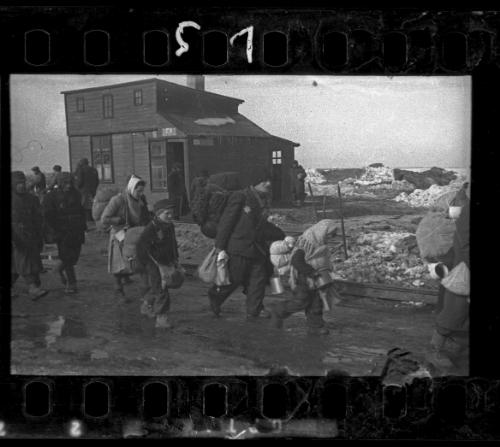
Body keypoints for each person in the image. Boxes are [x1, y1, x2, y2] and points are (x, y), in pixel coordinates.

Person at [207, 167, 285, 321]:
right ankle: (215, 297)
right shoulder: (240, 197)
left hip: (257, 248)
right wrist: (220, 247)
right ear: (255, 182)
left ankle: (254, 311)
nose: (268, 184)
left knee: (258, 280)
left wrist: (280, 234)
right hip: (238, 247)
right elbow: (226, 222)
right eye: (264, 180)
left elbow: (261, 224)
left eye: (270, 180)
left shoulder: (264, 199)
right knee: (234, 279)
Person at [269, 219, 338, 335]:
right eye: (330, 234)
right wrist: (311, 272)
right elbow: (296, 261)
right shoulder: (306, 243)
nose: (331, 237)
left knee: (316, 302)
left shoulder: (320, 242)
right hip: (303, 278)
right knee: (301, 301)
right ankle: (278, 311)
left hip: (315, 277)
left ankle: (315, 326)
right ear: (322, 232)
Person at [428, 185, 470, 369]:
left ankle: (458, 345)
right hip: (464, 270)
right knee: (454, 311)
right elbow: (465, 244)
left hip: (461, 266)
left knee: (460, 312)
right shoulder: (467, 211)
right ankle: (434, 350)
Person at [101, 175, 151, 298]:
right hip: (120, 234)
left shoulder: (141, 200)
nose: (140, 193)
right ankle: (118, 287)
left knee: (139, 262)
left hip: (135, 234)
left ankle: (145, 293)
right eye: (138, 190)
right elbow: (104, 219)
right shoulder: (118, 200)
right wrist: (119, 220)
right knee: (120, 264)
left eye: (142, 191)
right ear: (131, 188)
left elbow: (144, 215)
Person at [136, 199, 180, 330]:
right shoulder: (151, 228)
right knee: (162, 290)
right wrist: (152, 264)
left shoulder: (169, 226)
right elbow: (142, 248)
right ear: (158, 214)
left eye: (172, 213)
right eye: (167, 213)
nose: (170, 216)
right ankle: (161, 318)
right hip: (154, 265)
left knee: (157, 288)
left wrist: (175, 259)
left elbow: (173, 244)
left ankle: (146, 304)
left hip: (166, 262)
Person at [42, 172, 87, 294]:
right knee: (67, 258)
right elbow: (48, 216)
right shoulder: (51, 197)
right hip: (62, 232)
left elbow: (81, 211)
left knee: (74, 257)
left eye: (70, 183)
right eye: (65, 183)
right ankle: (72, 283)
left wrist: (83, 226)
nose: (68, 186)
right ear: (60, 184)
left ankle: (58, 269)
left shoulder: (76, 194)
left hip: (76, 231)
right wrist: (56, 229)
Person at [11, 171, 48, 300]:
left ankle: (33, 286)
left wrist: (40, 235)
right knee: (24, 261)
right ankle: (33, 288)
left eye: (23, 182)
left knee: (18, 264)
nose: (21, 186)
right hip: (15, 236)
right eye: (18, 183)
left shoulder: (32, 199)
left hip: (30, 235)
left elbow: (38, 217)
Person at [74, 158, 100, 222]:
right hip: (93, 190)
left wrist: (76, 188)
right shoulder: (94, 169)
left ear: (81, 163)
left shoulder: (81, 170)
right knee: (92, 204)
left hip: (84, 191)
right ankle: (92, 218)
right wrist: (94, 188)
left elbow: (79, 182)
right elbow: (97, 181)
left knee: (85, 206)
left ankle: (87, 220)